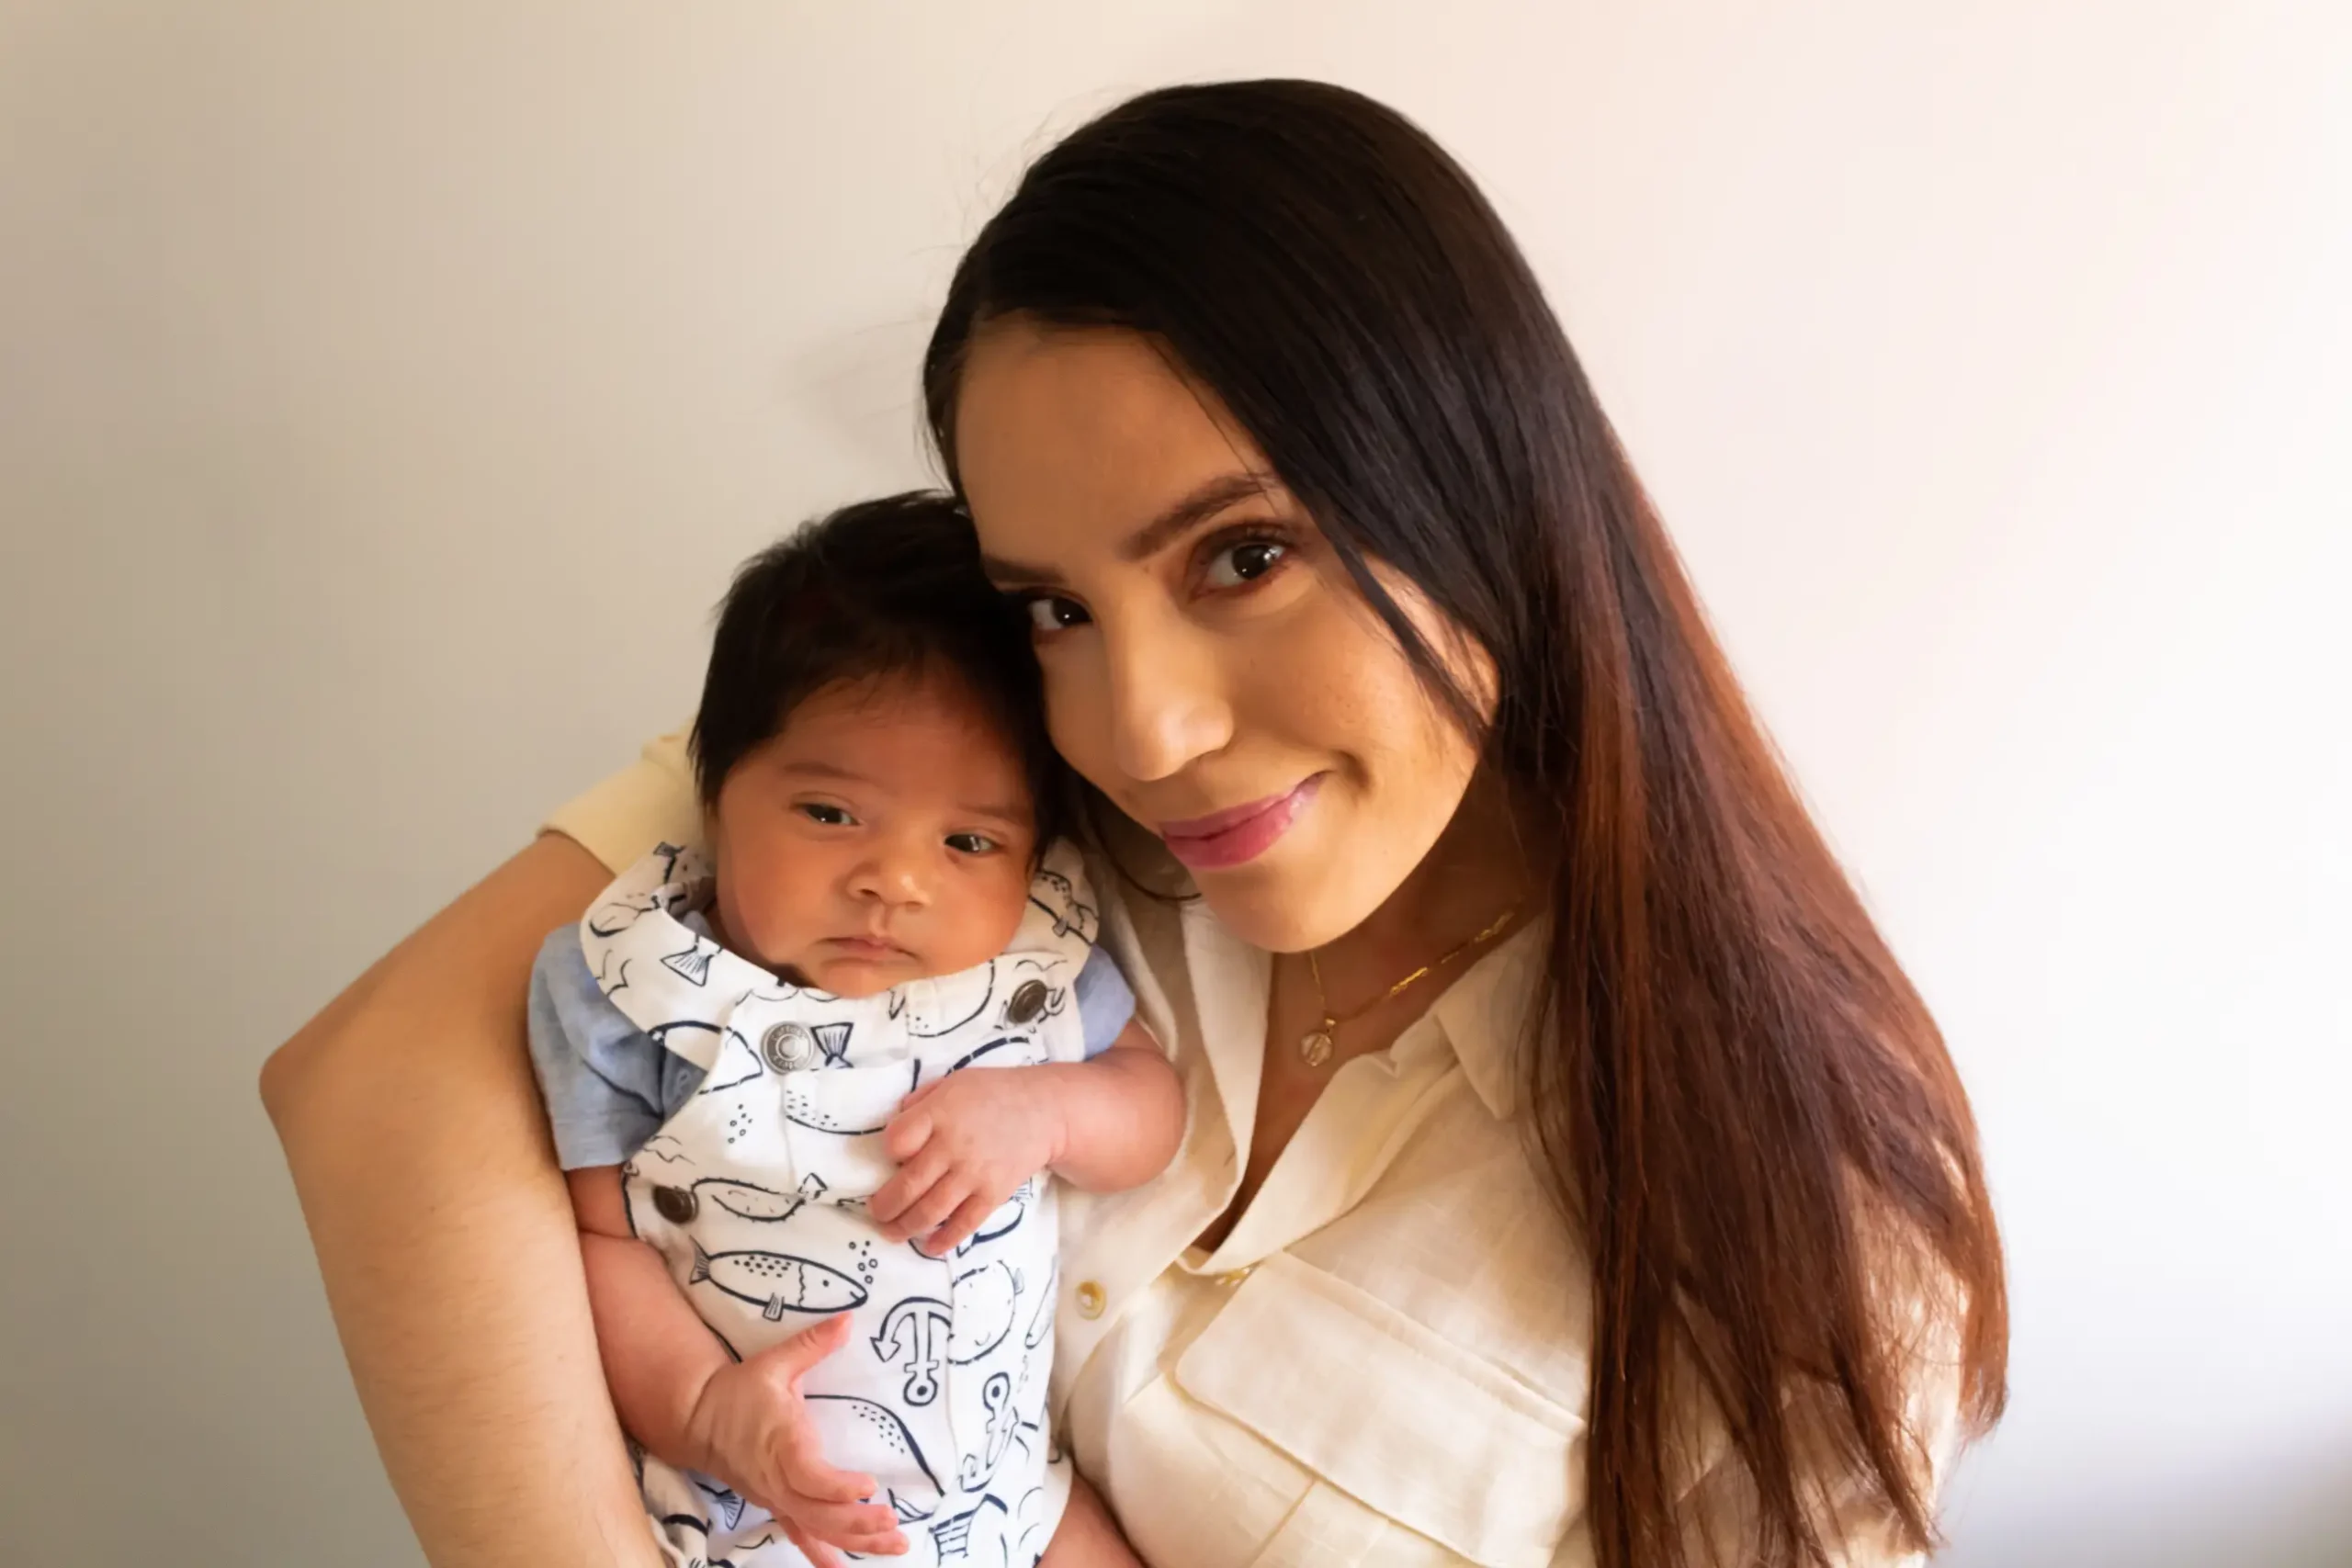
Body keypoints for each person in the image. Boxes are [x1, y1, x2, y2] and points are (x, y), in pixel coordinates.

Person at [263, 79, 2007, 1568]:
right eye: (1056, 604)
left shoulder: (1816, 1237)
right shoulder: (945, 784)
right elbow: (372, 1083)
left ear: (1487, 495)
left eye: (1244, 556)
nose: (1141, 728)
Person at [523, 495, 1182, 1566]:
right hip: (776, 1514)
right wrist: (703, 1410)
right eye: (830, 815)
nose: (895, 881)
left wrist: (1051, 1111)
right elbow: (599, 1244)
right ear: (712, 792)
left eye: (969, 840)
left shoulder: (1027, 968)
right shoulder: (635, 990)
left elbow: (1151, 1108)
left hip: (1009, 1494)